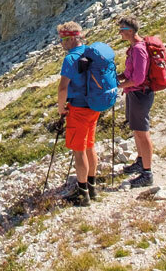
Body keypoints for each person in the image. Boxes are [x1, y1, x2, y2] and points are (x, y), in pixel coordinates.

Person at [55, 21, 117, 207]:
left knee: (79, 149)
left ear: (73, 38)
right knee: (89, 145)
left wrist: (60, 108)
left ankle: (82, 194)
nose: (62, 44)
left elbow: (62, 88)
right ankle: (92, 187)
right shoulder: (92, 53)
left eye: (64, 39)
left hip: (79, 108)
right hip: (94, 106)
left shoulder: (71, 58)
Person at [117, 17, 157, 188]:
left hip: (140, 94)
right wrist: (118, 78)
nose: (120, 32)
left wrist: (120, 85)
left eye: (122, 29)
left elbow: (139, 79)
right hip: (134, 93)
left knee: (142, 131)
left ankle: (147, 173)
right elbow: (130, 73)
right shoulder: (133, 48)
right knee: (136, 129)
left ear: (131, 31)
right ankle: (141, 162)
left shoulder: (139, 49)